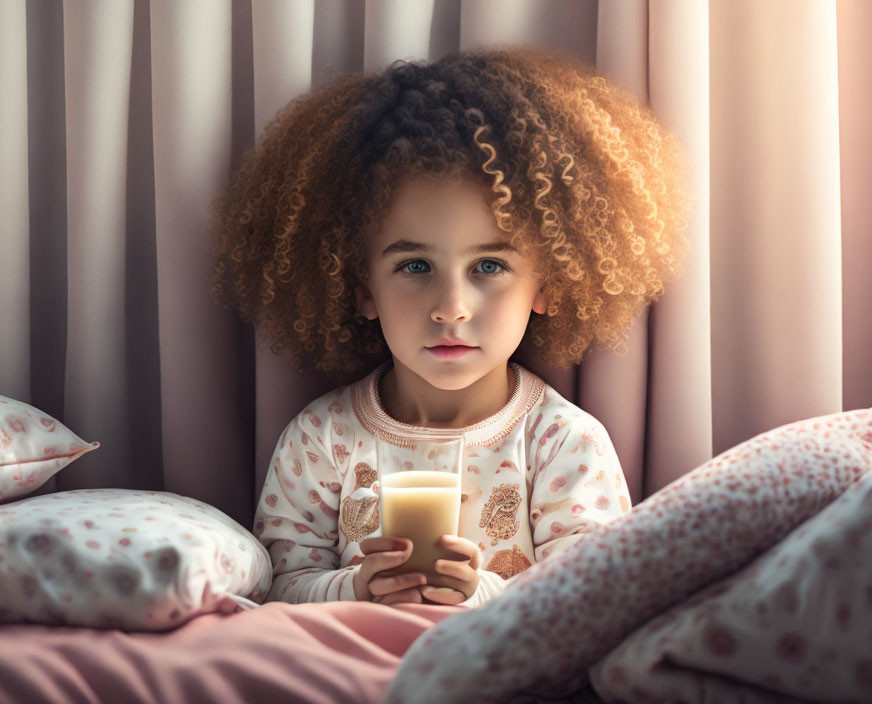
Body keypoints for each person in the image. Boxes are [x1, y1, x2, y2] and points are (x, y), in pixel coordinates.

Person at [210, 45, 692, 607]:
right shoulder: (321, 441)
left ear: (547, 284)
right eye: (415, 267)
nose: (452, 307)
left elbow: (592, 600)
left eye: (489, 266)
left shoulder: (563, 444)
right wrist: (357, 586)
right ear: (363, 287)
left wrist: (477, 592)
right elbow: (279, 585)